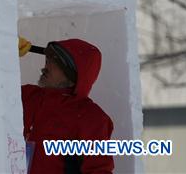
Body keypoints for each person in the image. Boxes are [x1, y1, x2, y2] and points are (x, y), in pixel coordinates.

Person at [18, 37, 115, 173]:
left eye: (53, 64)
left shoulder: (92, 119)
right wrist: (4, 51)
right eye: (47, 61)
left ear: (72, 75)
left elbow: (99, 170)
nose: (45, 68)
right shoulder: (27, 96)